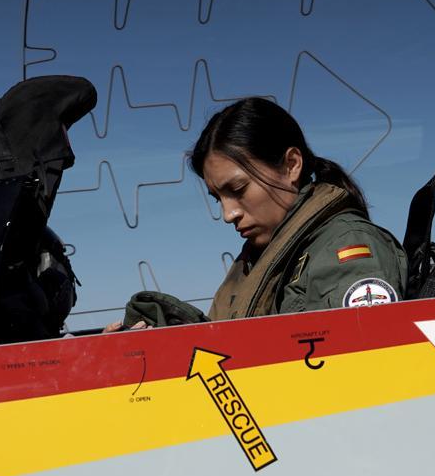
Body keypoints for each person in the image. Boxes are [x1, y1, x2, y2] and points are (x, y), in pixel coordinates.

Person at [108, 97, 407, 330]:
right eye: (218, 199)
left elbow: (358, 376)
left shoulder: (346, 247)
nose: (228, 214)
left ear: (291, 165)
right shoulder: (257, 260)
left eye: (238, 189)